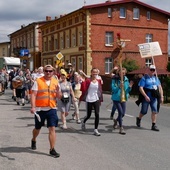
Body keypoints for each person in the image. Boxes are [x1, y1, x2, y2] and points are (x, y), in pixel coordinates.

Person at [30, 65, 62, 158]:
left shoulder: (56, 82)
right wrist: (33, 107)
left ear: (53, 72)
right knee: (37, 128)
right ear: (44, 71)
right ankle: (34, 139)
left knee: (52, 128)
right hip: (40, 109)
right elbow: (33, 95)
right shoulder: (38, 81)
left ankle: (52, 149)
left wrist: (58, 91)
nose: (48, 73)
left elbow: (59, 97)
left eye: (50, 71)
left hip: (52, 108)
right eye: (46, 71)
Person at [136, 65, 164, 131]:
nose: (152, 71)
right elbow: (141, 88)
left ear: (155, 71)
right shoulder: (144, 78)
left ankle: (153, 125)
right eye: (151, 70)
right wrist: (145, 96)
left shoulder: (156, 78)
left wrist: (161, 96)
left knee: (155, 110)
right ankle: (139, 118)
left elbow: (160, 87)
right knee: (144, 111)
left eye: (153, 70)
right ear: (148, 70)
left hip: (154, 97)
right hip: (147, 95)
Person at [81, 68, 103, 136]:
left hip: (96, 99)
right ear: (91, 73)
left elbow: (100, 90)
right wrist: (83, 82)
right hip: (89, 99)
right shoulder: (88, 81)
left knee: (97, 114)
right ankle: (83, 122)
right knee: (89, 115)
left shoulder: (98, 81)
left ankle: (95, 129)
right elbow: (83, 89)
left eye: (96, 73)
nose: (95, 74)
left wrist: (100, 98)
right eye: (93, 72)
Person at [111, 67, 133, 135]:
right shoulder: (115, 80)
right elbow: (113, 89)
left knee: (123, 114)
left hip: (123, 98)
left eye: (123, 73)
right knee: (120, 112)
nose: (122, 74)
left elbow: (127, 91)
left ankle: (116, 121)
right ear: (118, 72)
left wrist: (130, 87)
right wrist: (119, 86)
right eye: (121, 72)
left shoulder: (126, 80)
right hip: (116, 98)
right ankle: (121, 128)